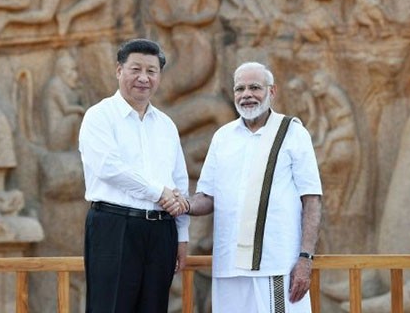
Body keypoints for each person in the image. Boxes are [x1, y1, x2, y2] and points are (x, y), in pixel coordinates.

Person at [164, 61, 322, 312]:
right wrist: (183, 204)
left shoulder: (292, 132)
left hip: (276, 265)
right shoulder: (223, 137)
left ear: (272, 91)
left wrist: (305, 258)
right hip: (229, 267)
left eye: (255, 87)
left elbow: (312, 199)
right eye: (240, 89)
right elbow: (207, 197)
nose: (246, 94)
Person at [78, 38, 189, 313]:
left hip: (161, 232)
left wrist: (181, 235)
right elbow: (108, 167)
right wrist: (159, 193)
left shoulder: (166, 125)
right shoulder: (99, 116)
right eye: (135, 69)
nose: (143, 78)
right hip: (115, 226)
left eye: (151, 71)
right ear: (119, 70)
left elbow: (179, 182)